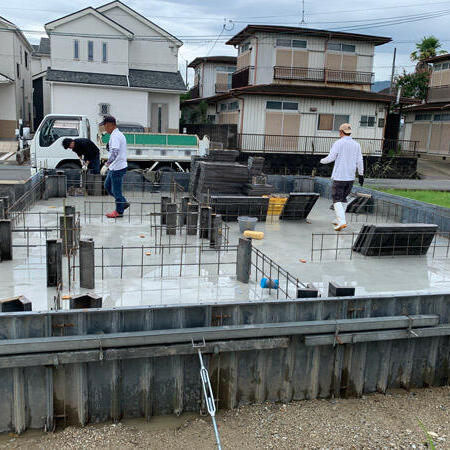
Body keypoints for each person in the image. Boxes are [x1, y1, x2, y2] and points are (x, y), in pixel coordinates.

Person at [320, 123, 364, 231]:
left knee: (336, 199)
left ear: (341, 132)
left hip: (340, 176)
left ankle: (342, 221)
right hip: (350, 177)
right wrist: (361, 174)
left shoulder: (338, 143)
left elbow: (331, 157)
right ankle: (338, 219)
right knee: (343, 198)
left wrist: (321, 161)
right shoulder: (356, 144)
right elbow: (360, 160)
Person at [99, 116, 129, 218]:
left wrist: (106, 165)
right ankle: (123, 202)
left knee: (116, 190)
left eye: (105, 126)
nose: (104, 128)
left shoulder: (116, 136)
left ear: (109, 125)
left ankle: (119, 211)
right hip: (114, 166)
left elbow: (115, 152)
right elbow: (114, 150)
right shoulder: (115, 135)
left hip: (118, 167)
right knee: (107, 186)